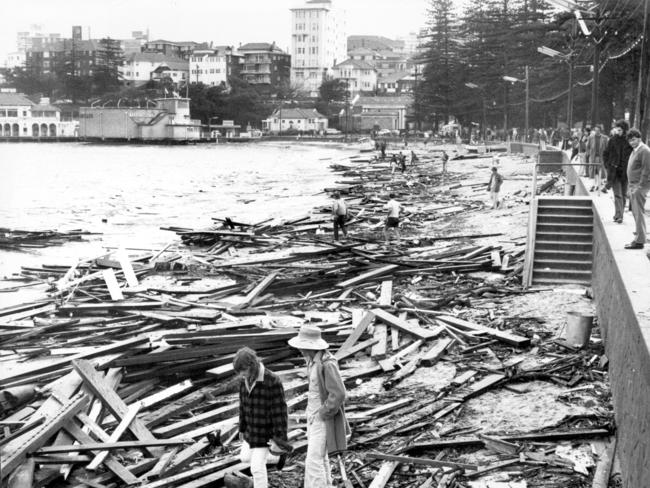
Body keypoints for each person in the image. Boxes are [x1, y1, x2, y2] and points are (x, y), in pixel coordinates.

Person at [288, 325, 349, 488]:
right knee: (321, 458)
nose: (300, 350)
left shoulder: (327, 364)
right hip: (313, 417)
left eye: (302, 346)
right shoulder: (312, 362)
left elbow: (339, 393)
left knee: (314, 460)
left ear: (310, 346)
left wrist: (323, 412)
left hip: (322, 418)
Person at [234, 347, 290, 488]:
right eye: (240, 372)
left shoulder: (272, 381)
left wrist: (280, 439)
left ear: (252, 365)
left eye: (244, 370)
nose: (242, 374)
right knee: (245, 457)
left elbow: (281, 412)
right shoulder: (243, 381)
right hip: (251, 430)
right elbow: (242, 407)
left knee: (256, 468)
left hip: (266, 433)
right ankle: (277, 456)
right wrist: (242, 428)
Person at [624, 129, 650, 249]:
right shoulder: (636, 150)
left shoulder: (644, 150)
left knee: (638, 213)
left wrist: (639, 187)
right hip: (633, 185)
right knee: (635, 212)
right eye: (630, 140)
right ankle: (639, 236)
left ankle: (639, 241)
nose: (632, 142)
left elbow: (646, 170)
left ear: (639, 138)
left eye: (634, 139)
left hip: (639, 186)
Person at [603, 119, 632, 223]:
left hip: (625, 172)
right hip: (614, 172)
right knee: (618, 194)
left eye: (620, 130)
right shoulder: (612, 140)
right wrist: (607, 165)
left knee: (623, 195)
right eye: (617, 130)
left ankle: (618, 214)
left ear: (624, 130)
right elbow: (605, 153)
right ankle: (620, 215)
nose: (618, 132)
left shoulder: (629, 141)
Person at [586, 125, 608, 189]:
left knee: (600, 171)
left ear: (600, 130)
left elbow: (607, 148)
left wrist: (606, 156)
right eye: (595, 130)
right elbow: (588, 146)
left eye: (598, 130)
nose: (597, 131)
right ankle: (593, 185)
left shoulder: (605, 138)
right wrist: (588, 154)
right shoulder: (591, 137)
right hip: (593, 157)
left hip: (601, 157)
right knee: (593, 170)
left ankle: (599, 185)